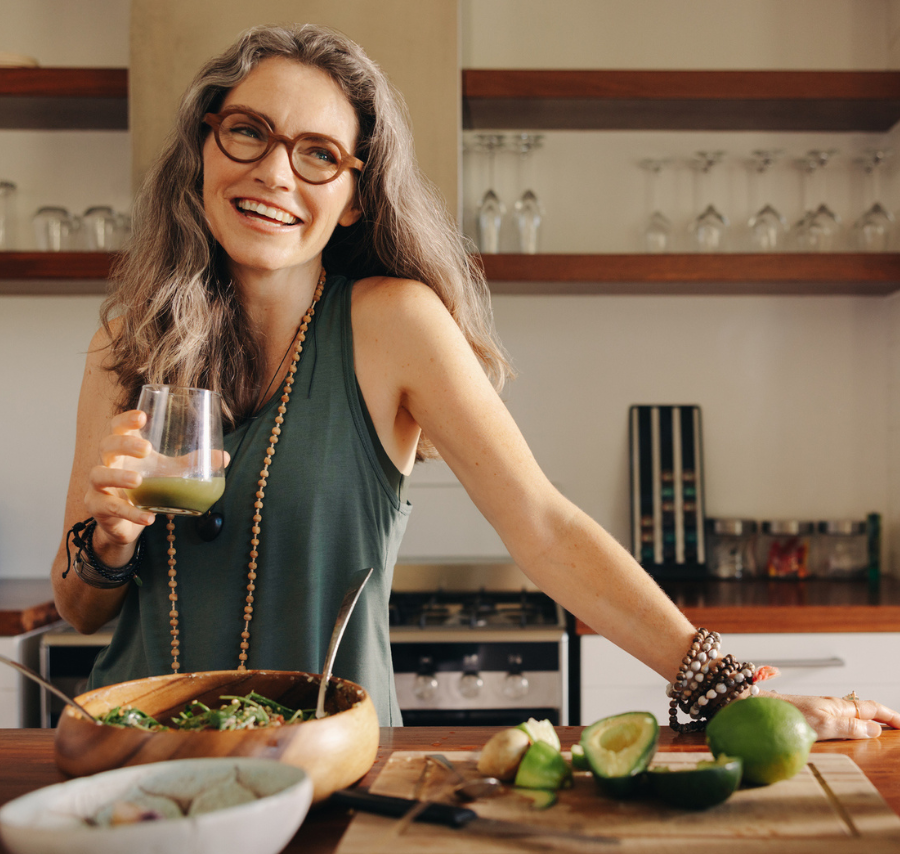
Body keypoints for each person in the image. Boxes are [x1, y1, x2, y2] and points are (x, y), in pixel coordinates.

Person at [51, 23, 899, 739]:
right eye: (249, 132)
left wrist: (721, 686)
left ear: (353, 196)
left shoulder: (393, 324)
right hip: (133, 759)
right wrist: (106, 542)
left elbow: (542, 524)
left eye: (318, 154)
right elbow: (80, 608)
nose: (275, 173)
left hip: (328, 765)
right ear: (206, 143)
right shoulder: (127, 341)